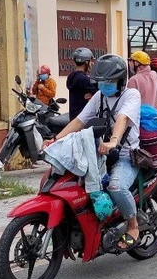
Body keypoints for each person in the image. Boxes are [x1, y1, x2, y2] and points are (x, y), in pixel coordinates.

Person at [55, 55, 142, 250]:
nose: (104, 86)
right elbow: (80, 121)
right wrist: (55, 140)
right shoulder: (99, 96)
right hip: (100, 154)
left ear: (121, 80)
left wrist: (113, 141)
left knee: (116, 187)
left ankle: (133, 225)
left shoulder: (132, 95)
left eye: (108, 82)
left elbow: (122, 118)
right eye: (101, 82)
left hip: (125, 155)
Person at [66, 48, 98, 120]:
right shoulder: (85, 79)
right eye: (90, 61)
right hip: (84, 119)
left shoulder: (71, 77)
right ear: (86, 62)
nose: (92, 63)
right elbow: (100, 94)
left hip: (74, 117)